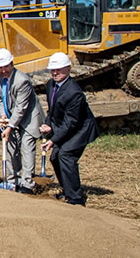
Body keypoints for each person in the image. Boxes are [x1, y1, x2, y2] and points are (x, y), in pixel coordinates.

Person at [40, 52, 99, 206]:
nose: (55, 73)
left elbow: (71, 123)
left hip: (81, 129)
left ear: (68, 69)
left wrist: (53, 140)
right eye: (52, 70)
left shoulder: (74, 93)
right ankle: (67, 190)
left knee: (66, 155)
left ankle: (76, 199)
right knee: (55, 157)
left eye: (58, 69)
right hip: (66, 127)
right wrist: (48, 124)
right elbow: (52, 109)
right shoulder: (51, 84)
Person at [0, 48, 44, 193]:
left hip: (29, 117)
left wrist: (10, 126)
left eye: (5, 67)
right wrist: (3, 115)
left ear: (12, 64)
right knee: (10, 146)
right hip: (10, 116)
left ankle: (27, 183)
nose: (3, 70)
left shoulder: (22, 80)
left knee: (26, 147)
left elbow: (21, 108)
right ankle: (12, 181)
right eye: (0, 67)